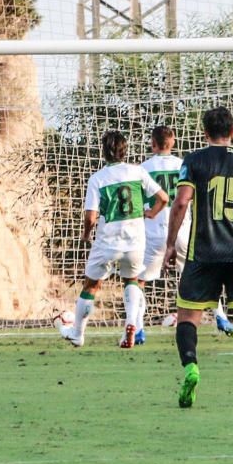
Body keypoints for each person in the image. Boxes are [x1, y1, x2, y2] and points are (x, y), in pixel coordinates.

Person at [165, 107, 233, 407]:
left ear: (204, 133)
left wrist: (171, 244)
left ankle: (191, 367)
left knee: (188, 317)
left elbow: (181, 203)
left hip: (203, 253)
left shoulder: (195, 161)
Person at [57, 130, 168, 348]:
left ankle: (78, 334)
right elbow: (163, 198)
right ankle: (131, 325)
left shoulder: (97, 178)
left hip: (108, 240)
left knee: (91, 285)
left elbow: (91, 216)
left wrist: (86, 234)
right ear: (124, 151)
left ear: (104, 152)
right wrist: (152, 213)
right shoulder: (138, 172)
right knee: (132, 280)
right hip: (135, 240)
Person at [136, 126, 233, 345]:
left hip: (152, 233)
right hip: (183, 230)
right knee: (201, 276)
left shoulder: (142, 169)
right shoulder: (184, 164)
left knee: (138, 281)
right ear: (172, 142)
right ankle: (221, 317)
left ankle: (138, 328)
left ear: (152, 143)